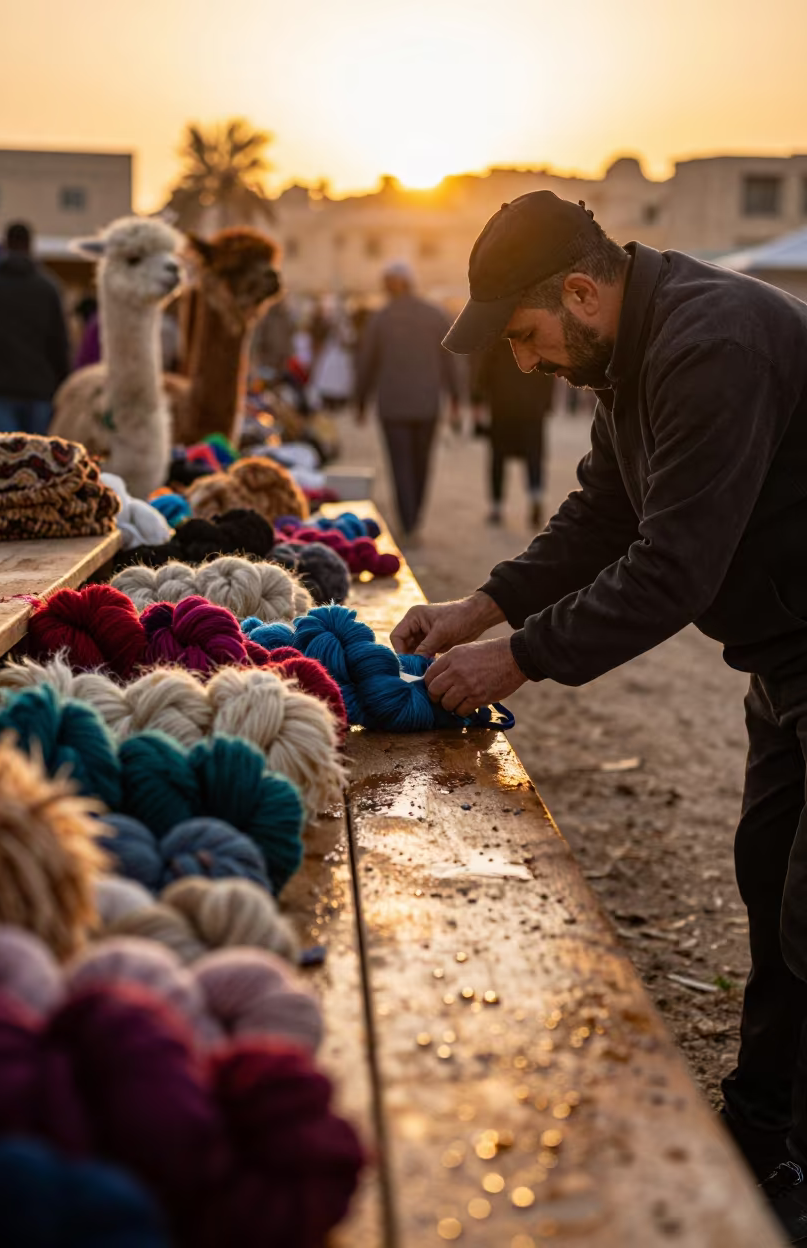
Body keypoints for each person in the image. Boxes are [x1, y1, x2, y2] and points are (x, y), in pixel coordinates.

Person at [389, 189, 807, 1242]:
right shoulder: (629, 351)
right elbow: (603, 514)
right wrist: (480, 607)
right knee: (771, 892)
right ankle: (763, 1146)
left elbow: (671, 566)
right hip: (786, 664)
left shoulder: (711, 346)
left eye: (527, 338)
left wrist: (516, 661)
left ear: (579, 290)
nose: (525, 365)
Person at [356, 260, 461, 540]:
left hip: (393, 406)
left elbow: (366, 363)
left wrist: (360, 402)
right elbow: (452, 361)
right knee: (421, 462)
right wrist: (456, 398)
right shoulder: (435, 315)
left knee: (400, 462)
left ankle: (408, 519)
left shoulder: (381, 317)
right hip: (427, 404)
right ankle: (413, 516)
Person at [0, 221, 70, 434]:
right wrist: (63, 386)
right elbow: (59, 342)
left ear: (4, 244)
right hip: (40, 388)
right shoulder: (48, 288)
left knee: (5, 458)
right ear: (30, 245)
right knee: (36, 457)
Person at [471, 336, 555, 528]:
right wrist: (546, 405)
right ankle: (535, 497)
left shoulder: (496, 345)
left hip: (502, 411)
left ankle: (496, 507)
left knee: (498, 459)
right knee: (534, 458)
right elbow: (549, 375)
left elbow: (482, 379)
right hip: (531, 412)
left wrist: (477, 410)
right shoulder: (536, 342)